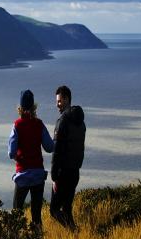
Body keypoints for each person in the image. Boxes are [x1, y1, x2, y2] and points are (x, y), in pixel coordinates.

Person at [8, 89, 54, 229]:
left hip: (23, 175)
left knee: (16, 213)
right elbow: (49, 147)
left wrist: (19, 158)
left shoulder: (17, 125)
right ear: (34, 106)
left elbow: (11, 152)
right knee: (36, 215)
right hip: (38, 175)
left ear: (20, 108)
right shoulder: (39, 124)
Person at [50, 85, 86, 230]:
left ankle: (74, 231)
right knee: (67, 209)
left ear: (66, 99)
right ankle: (75, 236)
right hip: (75, 171)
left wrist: (54, 176)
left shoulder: (62, 121)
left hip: (63, 173)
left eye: (59, 101)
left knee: (53, 210)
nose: (57, 104)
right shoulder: (81, 122)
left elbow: (57, 149)